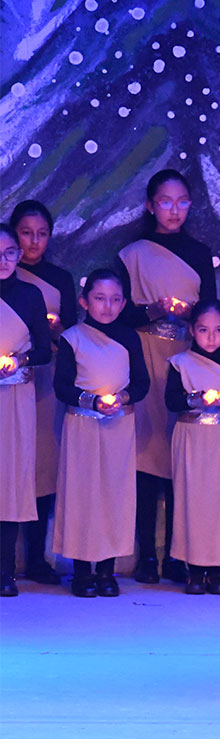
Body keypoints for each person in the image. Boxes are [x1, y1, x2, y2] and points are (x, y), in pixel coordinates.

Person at [115, 168, 218, 585]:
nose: (173, 210)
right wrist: (153, 311)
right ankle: (146, 556)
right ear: (150, 205)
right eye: (165, 202)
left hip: (187, 359)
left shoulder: (198, 252)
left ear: (190, 205)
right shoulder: (133, 253)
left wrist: (190, 316)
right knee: (145, 455)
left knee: (182, 456)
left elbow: (211, 313)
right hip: (144, 355)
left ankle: (178, 554)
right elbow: (118, 314)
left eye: (181, 202)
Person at [53, 269, 150, 597]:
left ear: (123, 304)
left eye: (114, 300)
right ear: (84, 301)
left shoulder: (130, 338)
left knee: (113, 495)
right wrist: (92, 401)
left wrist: (121, 398)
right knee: (83, 495)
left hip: (118, 428)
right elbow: (62, 386)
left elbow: (142, 384)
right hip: (82, 426)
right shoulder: (73, 338)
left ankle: (107, 571)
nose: (107, 306)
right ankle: (82, 572)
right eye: (99, 298)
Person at [165, 299, 220, 595]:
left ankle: (216, 571)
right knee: (191, 500)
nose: (211, 337)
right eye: (204, 330)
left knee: (219, 502)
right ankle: (194, 570)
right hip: (190, 438)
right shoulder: (180, 363)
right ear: (192, 330)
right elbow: (171, 401)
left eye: (218, 330)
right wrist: (196, 399)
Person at [12, 200, 76, 586]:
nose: (34, 242)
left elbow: (72, 334)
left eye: (42, 234)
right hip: (8, 382)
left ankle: (36, 558)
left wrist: (49, 329)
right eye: (25, 233)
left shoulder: (60, 279)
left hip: (45, 379)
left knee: (42, 466)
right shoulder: (5, 275)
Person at [0, 223, 53, 596]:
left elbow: (45, 351)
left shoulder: (31, 295)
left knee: (12, 482)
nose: (2, 261)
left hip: (17, 400)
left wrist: (19, 360)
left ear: (19, 255)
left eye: (9, 253)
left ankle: (5, 573)